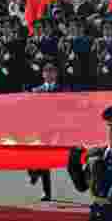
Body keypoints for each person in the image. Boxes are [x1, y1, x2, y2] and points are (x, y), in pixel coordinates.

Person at [26, 61, 64, 201]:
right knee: (30, 155)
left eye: (52, 72)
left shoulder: (62, 90)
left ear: (56, 74)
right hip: (39, 128)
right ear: (43, 75)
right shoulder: (36, 90)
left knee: (45, 160)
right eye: (46, 72)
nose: (49, 74)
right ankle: (34, 173)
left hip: (53, 129)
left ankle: (46, 192)